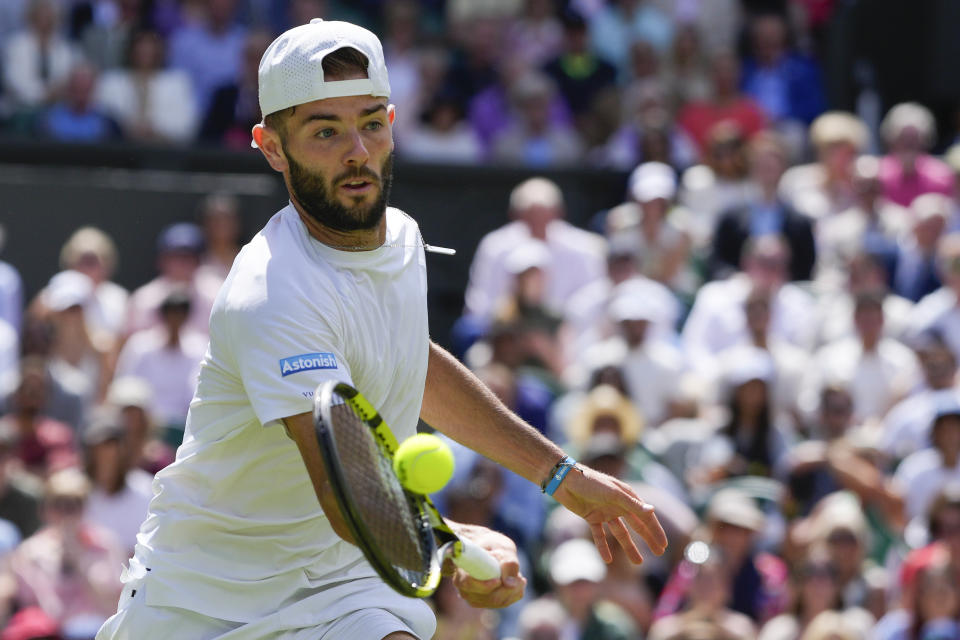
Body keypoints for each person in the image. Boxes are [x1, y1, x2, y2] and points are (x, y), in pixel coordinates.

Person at [96, 19, 667, 640]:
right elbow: (350, 493)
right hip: (203, 605)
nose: (357, 152)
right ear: (271, 148)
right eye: (325, 131)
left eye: (371, 123)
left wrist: (561, 475)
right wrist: (454, 545)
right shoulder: (272, 295)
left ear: (392, 125)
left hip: (347, 583)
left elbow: (408, 363)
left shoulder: (402, 239)